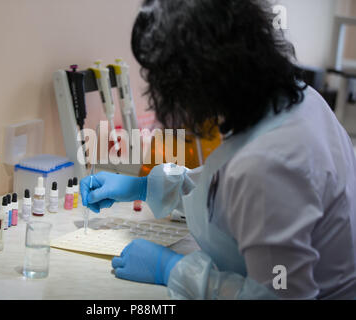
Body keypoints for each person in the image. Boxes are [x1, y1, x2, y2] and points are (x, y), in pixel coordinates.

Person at [80, 0, 356, 299]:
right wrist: (147, 187)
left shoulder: (269, 163)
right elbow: (231, 189)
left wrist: (173, 269)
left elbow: (278, 296)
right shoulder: (296, 100)